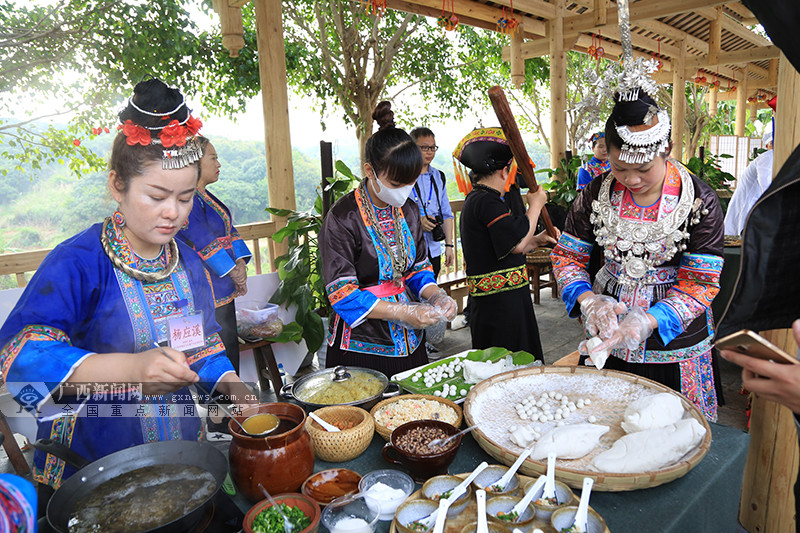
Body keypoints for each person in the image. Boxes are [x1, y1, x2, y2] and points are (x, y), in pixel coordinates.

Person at [0, 79, 254, 506]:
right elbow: (19, 358)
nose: (173, 212)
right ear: (118, 185)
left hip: (181, 458)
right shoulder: (78, 262)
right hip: (92, 468)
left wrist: (230, 384)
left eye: (185, 198)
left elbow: (200, 347)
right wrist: (132, 369)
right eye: (156, 196)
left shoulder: (189, 265)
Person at [551, 87, 725, 421]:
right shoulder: (595, 193)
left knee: (673, 432)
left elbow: (700, 282)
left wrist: (649, 320)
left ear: (667, 150)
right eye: (619, 167)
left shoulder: (698, 201)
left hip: (673, 344)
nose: (631, 179)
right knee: (600, 426)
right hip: (607, 332)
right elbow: (568, 257)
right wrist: (589, 301)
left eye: (644, 169)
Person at [319, 101, 457, 376]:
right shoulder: (343, 217)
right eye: (396, 184)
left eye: (411, 182)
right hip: (361, 345)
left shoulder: (409, 210)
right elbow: (342, 293)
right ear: (370, 171)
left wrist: (436, 295)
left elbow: (418, 267)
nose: (404, 191)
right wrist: (403, 313)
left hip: (410, 341)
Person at [455, 128, 556, 357]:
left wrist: (537, 240)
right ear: (504, 172)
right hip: (499, 304)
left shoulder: (481, 199)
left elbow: (509, 247)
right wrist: (536, 205)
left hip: (504, 299)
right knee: (508, 360)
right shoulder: (486, 201)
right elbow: (517, 243)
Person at [177, 136, 251, 373]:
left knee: (229, 349)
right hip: (203, 291)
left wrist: (240, 263)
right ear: (195, 162)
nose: (218, 164)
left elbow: (231, 231)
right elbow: (202, 240)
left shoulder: (207, 197)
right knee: (214, 354)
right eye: (213, 158)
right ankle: (224, 396)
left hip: (223, 287)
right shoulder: (186, 199)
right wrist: (233, 271)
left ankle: (232, 395)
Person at [409, 127, 455, 280]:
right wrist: (417, 223)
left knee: (431, 287)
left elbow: (447, 214)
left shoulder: (438, 177)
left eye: (433, 148)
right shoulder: (402, 176)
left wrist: (449, 246)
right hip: (410, 251)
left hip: (434, 249)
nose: (430, 152)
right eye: (424, 148)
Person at [723, 130, 774, 236]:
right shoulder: (768, 156)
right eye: (772, 143)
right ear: (766, 146)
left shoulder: (772, 158)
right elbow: (767, 189)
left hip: (749, 210)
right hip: (747, 211)